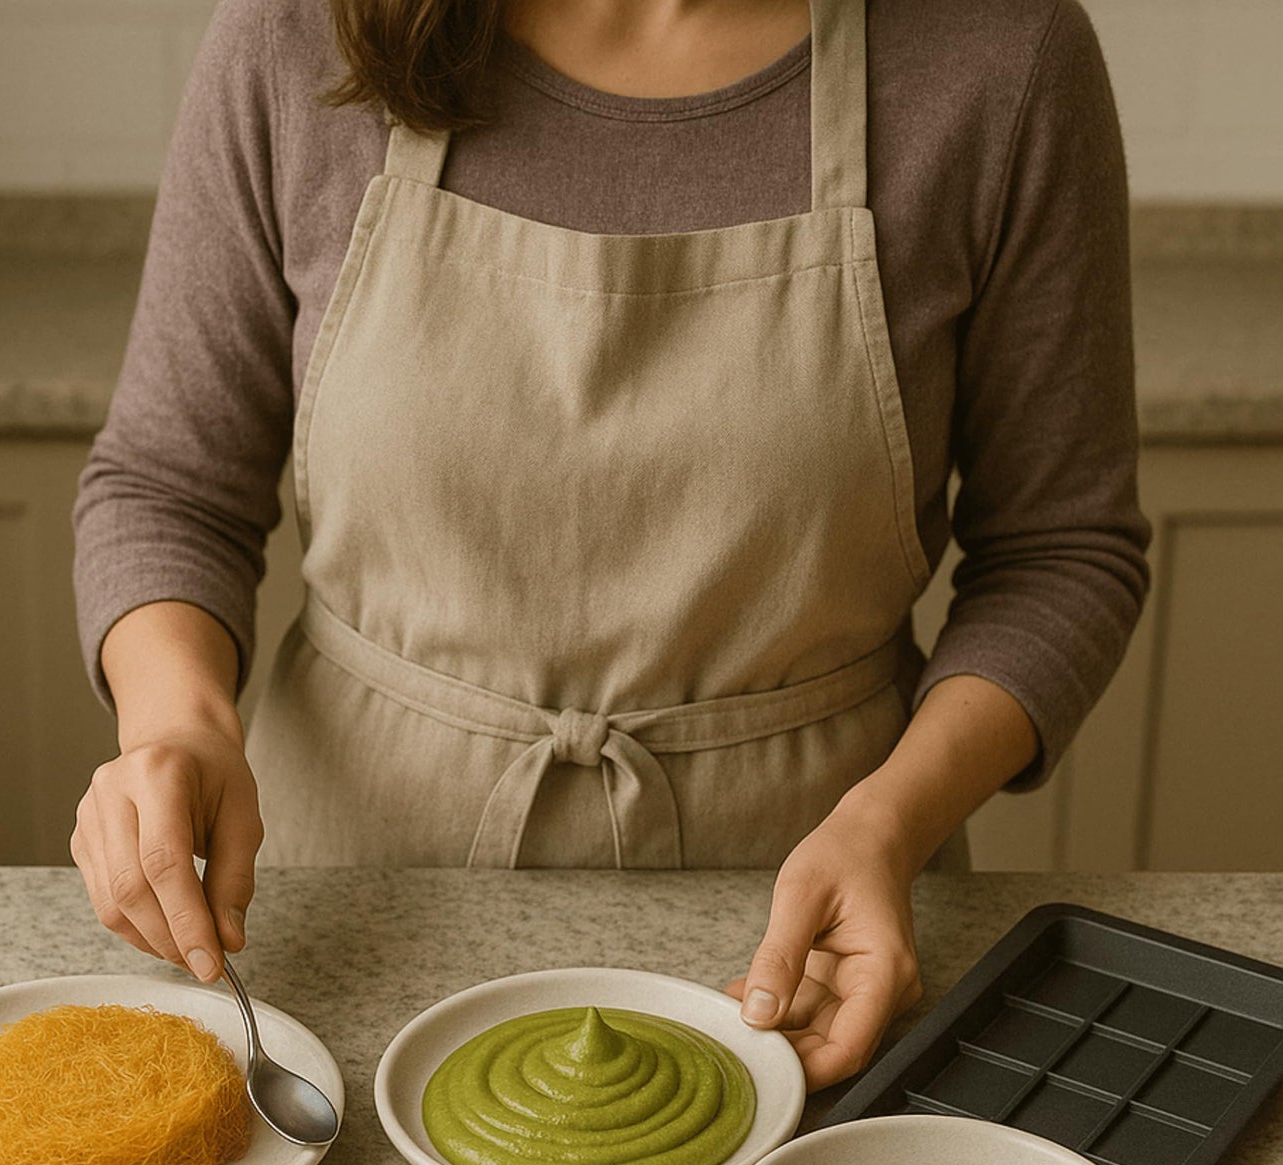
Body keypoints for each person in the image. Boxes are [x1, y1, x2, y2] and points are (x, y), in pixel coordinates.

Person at [71, 0, 1150, 1091]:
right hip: (348, 921)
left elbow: (1058, 550)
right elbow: (169, 485)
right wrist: (176, 726)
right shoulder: (299, 33)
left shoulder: (1000, 56)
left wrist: (888, 821)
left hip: (799, 940)